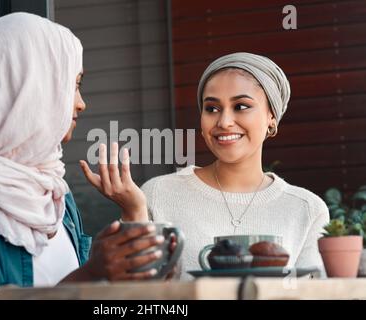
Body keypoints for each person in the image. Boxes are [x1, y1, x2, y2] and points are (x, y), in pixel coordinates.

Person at [0, 13, 164, 296]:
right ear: (27, 88)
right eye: (71, 85)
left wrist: (135, 213)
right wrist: (91, 273)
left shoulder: (55, 194)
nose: (81, 103)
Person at [140, 52, 330, 279]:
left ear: (272, 116)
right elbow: (132, 294)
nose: (224, 122)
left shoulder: (306, 209)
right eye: (212, 108)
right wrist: (133, 211)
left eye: (240, 106)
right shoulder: (159, 194)